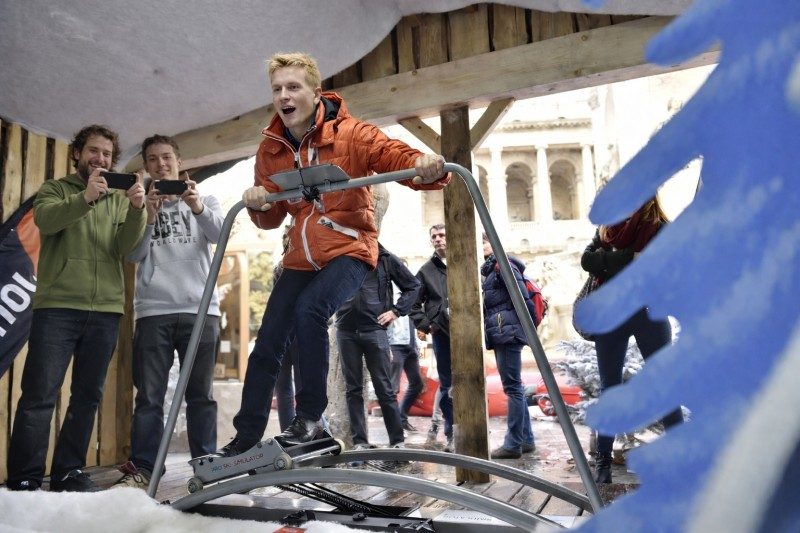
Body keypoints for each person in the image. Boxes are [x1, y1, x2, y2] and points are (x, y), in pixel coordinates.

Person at [219, 52, 449, 456]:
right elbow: (271, 218)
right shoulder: (271, 149)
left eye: (293, 87)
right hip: (301, 257)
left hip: (349, 249)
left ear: (315, 92)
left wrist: (422, 163)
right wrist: (258, 203)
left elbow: (392, 155)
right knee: (269, 340)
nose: (284, 97)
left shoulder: (351, 134)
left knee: (310, 310)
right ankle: (246, 437)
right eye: (277, 90)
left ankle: (310, 420)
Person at [5, 125, 146, 492]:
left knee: (87, 396)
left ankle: (68, 472)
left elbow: (125, 248)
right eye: (93, 151)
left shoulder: (117, 199)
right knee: (40, 393)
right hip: (58, 308)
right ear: (78, 155)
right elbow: (47, 221)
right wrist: (85, 197)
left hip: (105, 311)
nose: (100, 158)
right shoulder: (54, 190)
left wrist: (136, 209)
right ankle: (25, 476)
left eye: (106, 154)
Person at [113, 135, 223, 488]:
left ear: (179, 160)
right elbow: (132, 255)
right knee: (149, 397)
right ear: (146, 167)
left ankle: (206, 467)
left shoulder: (205, 198)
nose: (161, 164)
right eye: (153, 160)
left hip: (201, 311)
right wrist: (146, 216)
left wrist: (197, 208)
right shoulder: (140, 205)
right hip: (153, 312)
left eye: (167, 157)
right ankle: (145, 468)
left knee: (200, 396)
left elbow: (220, 235)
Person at [580, 196, 684, 483]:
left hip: (649, 313)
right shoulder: (607, 227)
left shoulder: (659, 227)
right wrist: (627, 258)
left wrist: (609, 263)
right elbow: (587, 260)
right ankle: (602, 463)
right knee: (609, 390)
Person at [336, 244, 420, 450]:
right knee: (353, 389)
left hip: (375, 330)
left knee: (384, 387)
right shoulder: (338, 256)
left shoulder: (385, 258)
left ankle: (397, 441)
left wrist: (396, 311)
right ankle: (360, 443)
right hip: (346, 331)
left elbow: (413, 286)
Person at [480, 236, 536, 459]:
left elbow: (523, 300)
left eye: (483, 242)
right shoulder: (491, 269)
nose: (480, 246)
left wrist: (524, 330)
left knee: (512, 387)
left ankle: (513, 443)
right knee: (514, 386)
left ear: (492, 245)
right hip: (504, 331)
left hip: (508, 332)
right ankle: (527, 439)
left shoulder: (503, 265)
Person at [410, 224, 455, 452]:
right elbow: (413, 302)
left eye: (442, 235)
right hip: (442, 334)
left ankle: (473, 430)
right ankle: (452, 434)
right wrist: (428, 325)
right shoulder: (426, 270)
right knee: (447, 385)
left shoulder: (464, 262)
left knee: (471, 381)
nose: (438, 239)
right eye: (434, 237)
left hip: (467, 332)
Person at [388, 262, 425, 433]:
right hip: (395, 344)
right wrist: (386, 346)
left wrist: (417, 344)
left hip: (410, 345)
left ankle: (402, 417)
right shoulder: (389, 294)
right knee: (392, 387)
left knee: (416, 383)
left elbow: (414, 319)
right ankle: (395, 426)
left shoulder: (412, 292)